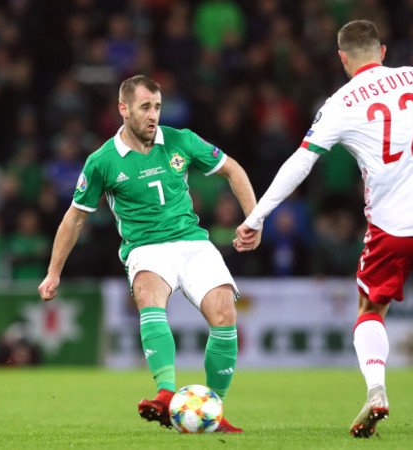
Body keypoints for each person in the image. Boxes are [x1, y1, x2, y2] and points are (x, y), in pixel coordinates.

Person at [234, 20, 413, 439]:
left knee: (371, 311)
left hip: (388, 227)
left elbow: (300, 163)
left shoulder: (339, 103)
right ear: (383, 50)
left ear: (343, 59)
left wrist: (256, 217)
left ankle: (376, 391)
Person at [38, 75, 259, 433]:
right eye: (145, 107)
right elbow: (74, 219)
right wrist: (53, 273)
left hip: (192, 242)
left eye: (157, 106)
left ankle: (212, 411)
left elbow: (233, 169)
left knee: (224, 313)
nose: (153, 115)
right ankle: (166, 393)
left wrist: (254, 220)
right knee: (148, 294)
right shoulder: (103, 161)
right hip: (145, 248)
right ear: (123, 110)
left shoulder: (180, 140)